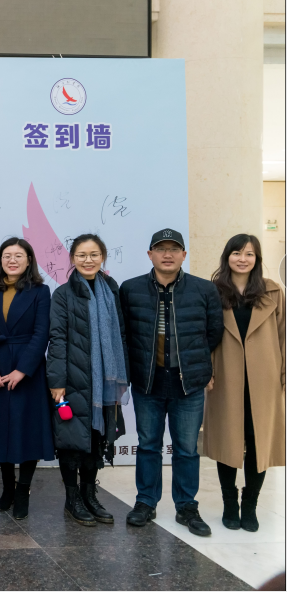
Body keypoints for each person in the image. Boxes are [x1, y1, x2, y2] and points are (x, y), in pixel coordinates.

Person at [119, 229, 223, 536]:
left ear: (184, 255)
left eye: (174, 249)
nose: (168, 254)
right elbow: (125, 334)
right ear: (150, 254)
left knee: (187, 449)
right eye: (161, 249)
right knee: (148, 445)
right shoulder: (131, 289)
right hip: (148, 381)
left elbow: (213, 332)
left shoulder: (204, 289)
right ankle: (146, 502)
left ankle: (186, 506)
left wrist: (197, 365)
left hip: (187, 383)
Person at [203, 234, 285, 532]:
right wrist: (206, 371)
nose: (242, 259)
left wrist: (283, 375)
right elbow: (203, 335)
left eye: (249, 254)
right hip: (225, 376)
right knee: (228, 440)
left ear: (257, 259)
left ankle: (250, 505)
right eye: (236, 253)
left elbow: (283, 335)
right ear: (227, 257)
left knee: (259, 441)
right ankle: (229, 503)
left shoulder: (273, 291)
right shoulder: (212, 292)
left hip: (264, 379)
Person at [47, 233, 129, 527]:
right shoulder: (62, 295)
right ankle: (72, 499)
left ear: (102, 257)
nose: (88, 260)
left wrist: (122, 377)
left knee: (96, 438)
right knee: (71, 441)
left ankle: (89, 495)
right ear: (72, 258)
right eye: (81, 255)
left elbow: (120, 334)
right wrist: (57, 382)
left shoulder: (111, 289)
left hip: (104, 381)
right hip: (73, 379)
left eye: (94, 254)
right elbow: (57, 340)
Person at [0, 237, 54, 520]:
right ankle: (8, 488)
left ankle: (23, 490)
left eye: (18, 256)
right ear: (0, 260)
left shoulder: (41, 291)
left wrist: (23, 370)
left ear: (28, 260)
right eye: (7, 256)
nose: (12, 260)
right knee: (1, 429)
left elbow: (41, 333)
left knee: (27, 429)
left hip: (28, 368)